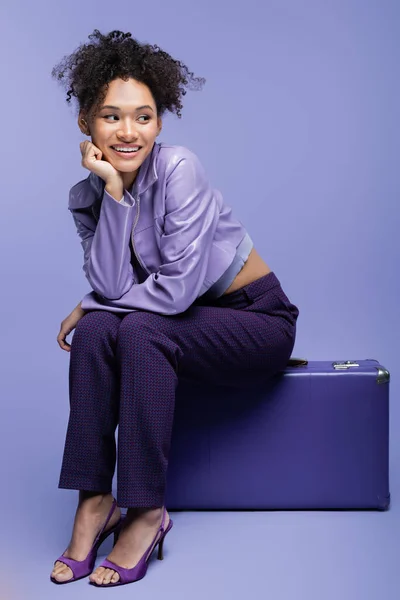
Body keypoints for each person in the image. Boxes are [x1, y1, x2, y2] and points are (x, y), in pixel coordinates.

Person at [50, 29, 299, 588]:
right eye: (111, 116)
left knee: (136, 331)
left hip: (256, 321)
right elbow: (115, 284)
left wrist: (89, 304)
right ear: (86, 122)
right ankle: (95, 502)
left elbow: (175, 294)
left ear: (160, 123)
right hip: (176, 325)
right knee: (95, 337)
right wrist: (113, 190)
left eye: (144, 116)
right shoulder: (85, 195)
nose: (128, 131)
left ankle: (146, 511)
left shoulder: (180, 168)